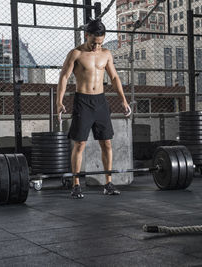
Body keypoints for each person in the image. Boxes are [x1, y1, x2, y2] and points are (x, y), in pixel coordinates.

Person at [56, 19, 131, 199]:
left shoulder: (106, 54)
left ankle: (108, 183)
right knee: (80, 143)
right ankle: (76, 185)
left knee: (106, 142)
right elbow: (64, 77)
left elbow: (114, 78)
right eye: (94, 43)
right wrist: (59, 102)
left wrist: (123, 100)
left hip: (101, 102)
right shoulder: (76, 54)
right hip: (82, 101)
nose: (97, 47)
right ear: (86, 36)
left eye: (100, 43)